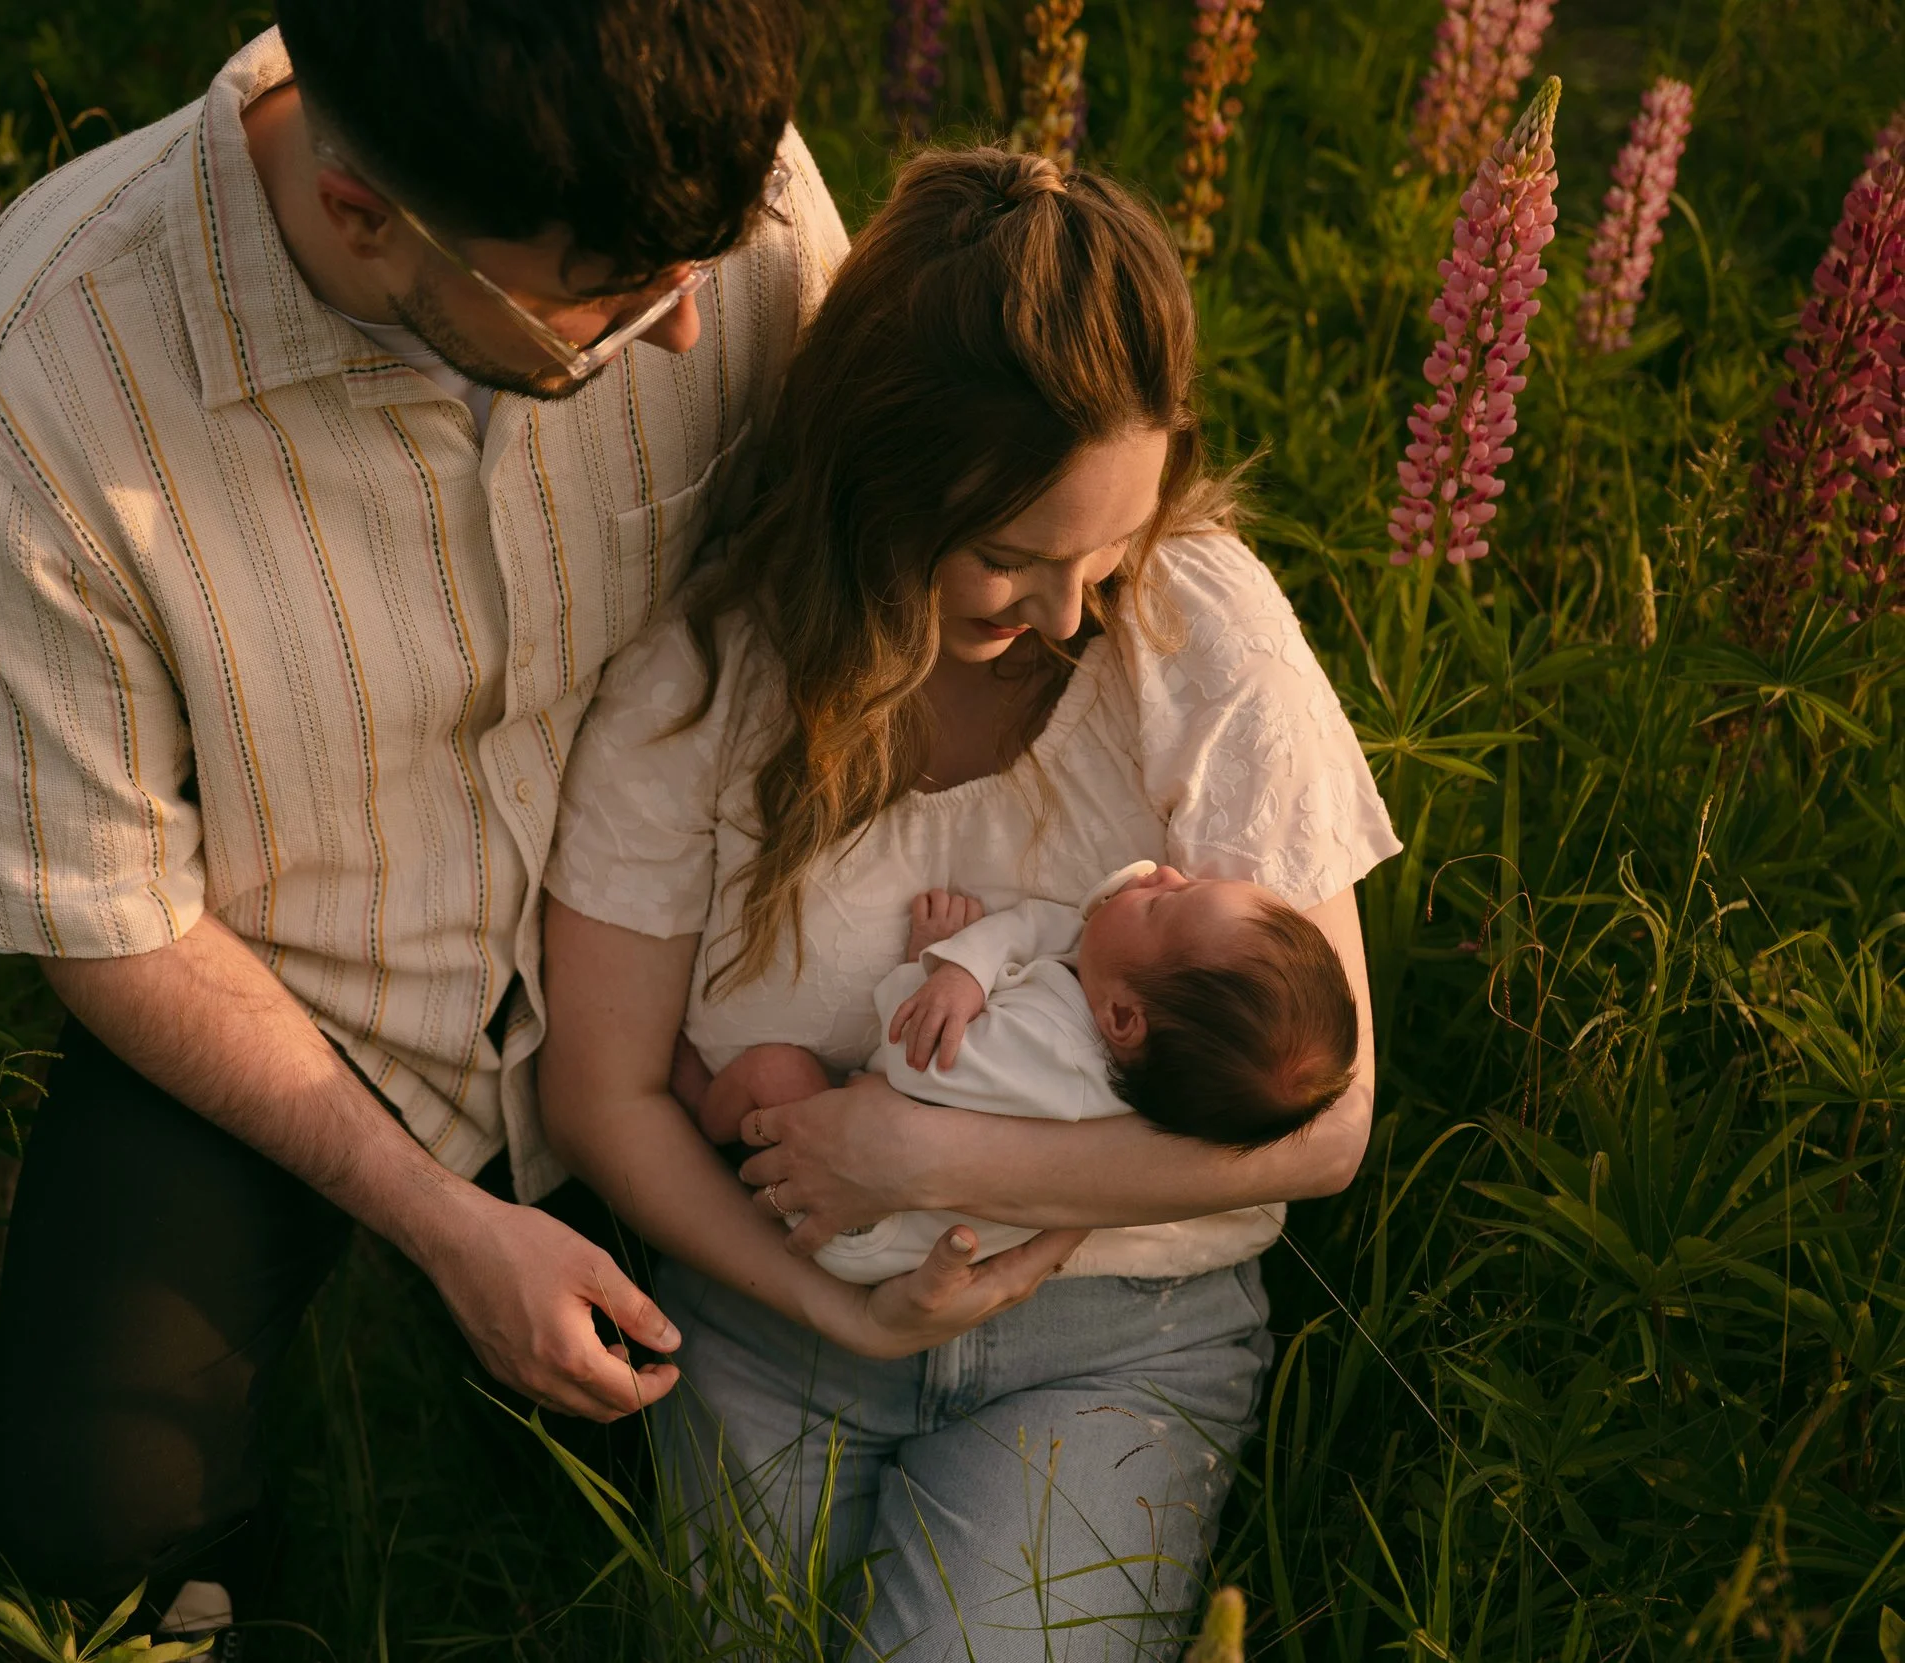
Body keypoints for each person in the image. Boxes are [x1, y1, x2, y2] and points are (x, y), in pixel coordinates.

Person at [0, 0, 861, 1638]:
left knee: (744, 1542)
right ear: (364, 213)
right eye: (610, 316)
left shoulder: (697, 189)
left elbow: (855, 564)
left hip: (653, 971)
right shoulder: (49, 373)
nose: (695, 334)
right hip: (295, 1000)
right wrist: (445, 1226)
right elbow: (108, 912)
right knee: (89, 1514)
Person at [537, 148, 1401, 1660]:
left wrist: (921, 1145)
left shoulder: (1200, 630)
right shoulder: (702, 687)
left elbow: (1326, 1127)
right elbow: (602, 1089)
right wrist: (847, 1312)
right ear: (875, 489)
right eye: (1008, 556)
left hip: (1114, 1334)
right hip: (772, 1312)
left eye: (1106, 549)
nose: (1071, 612)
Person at [699, 861, 1361, 1283]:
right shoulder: (1118, 1031)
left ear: (1125, 1019)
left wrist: (928, 963)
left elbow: (910, 1058)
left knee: (772, 1071)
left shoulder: (1051, 1059)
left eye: (1162, 903)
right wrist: (972, 965)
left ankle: (696, 1107)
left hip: (870, 1232)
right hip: (913, 1200)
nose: (1164, 871)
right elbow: (1052, 928)